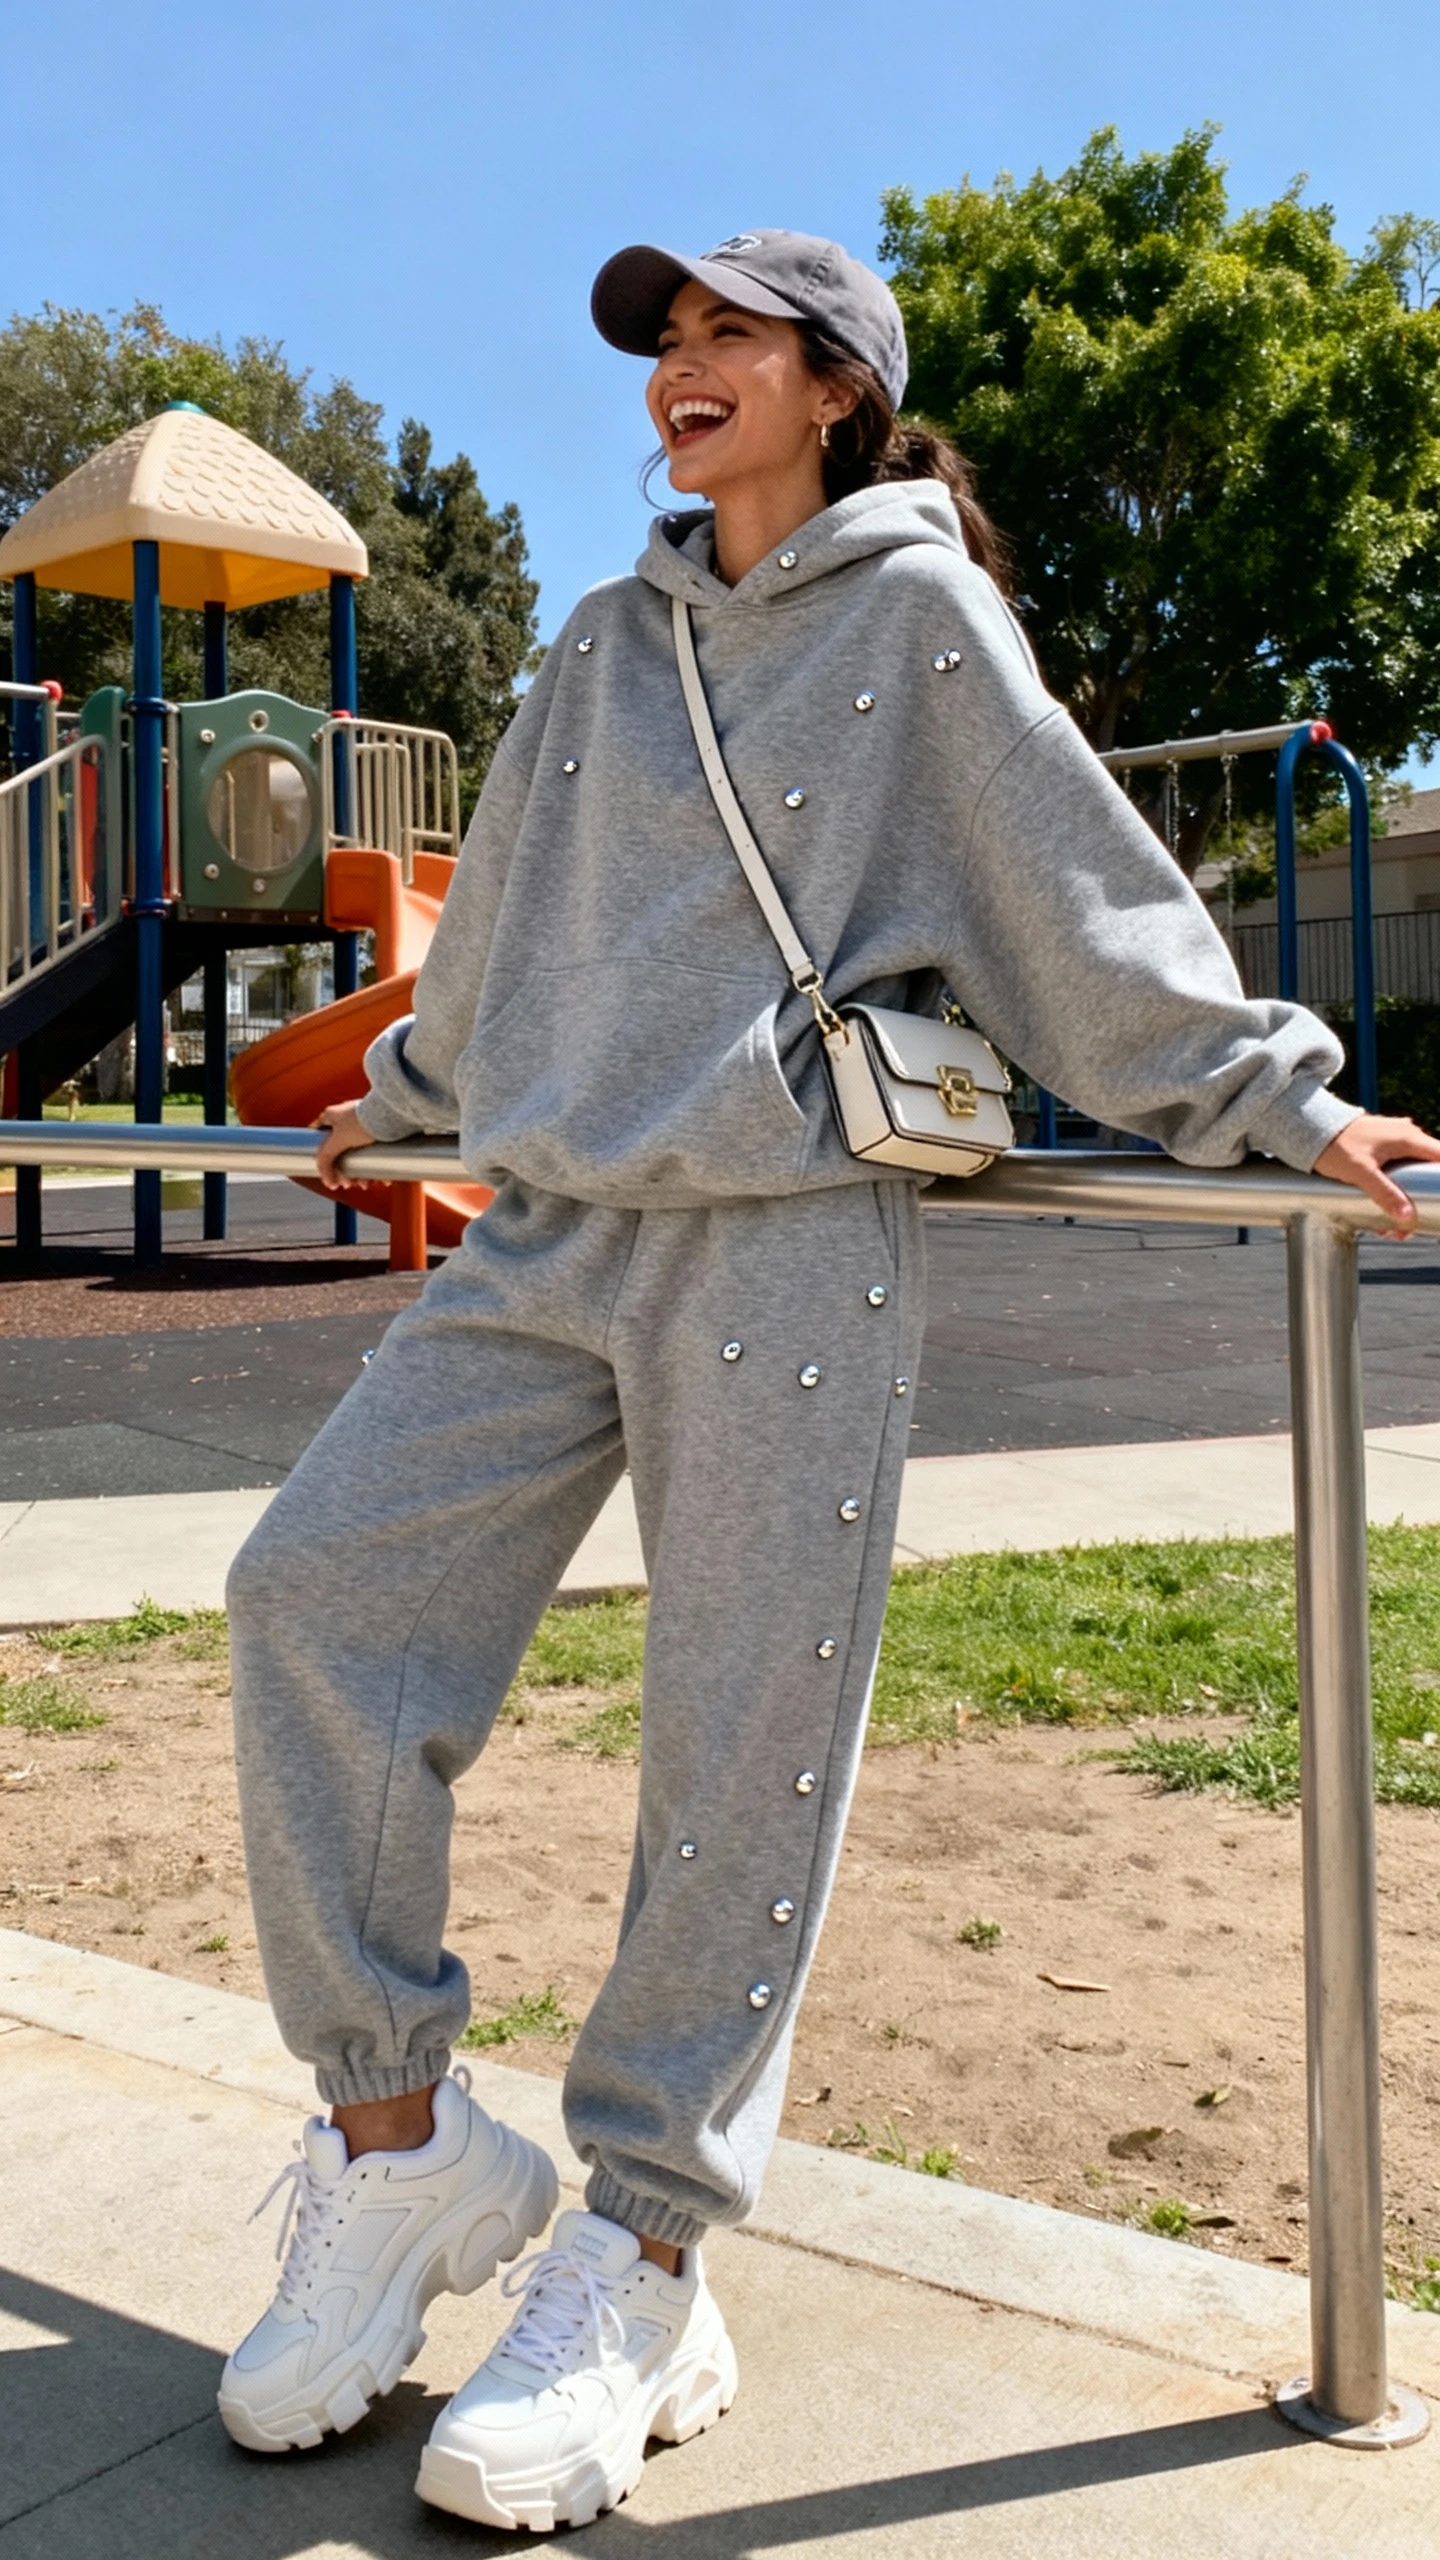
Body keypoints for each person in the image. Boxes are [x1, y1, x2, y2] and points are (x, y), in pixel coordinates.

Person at [218, 229, 1440, 2533]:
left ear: (835, 386)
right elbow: (507, 930)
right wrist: (410, 1075)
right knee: (312, 1598)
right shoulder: (601, 643)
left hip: (788, 1240)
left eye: (726, 337)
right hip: (555, 1225)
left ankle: (646, 2244)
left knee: (739, 1741)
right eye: (664, 340)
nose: (680, 370)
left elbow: (1082, 895)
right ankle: (398, 2141)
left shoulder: (919, 625)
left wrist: (1281, 1094)